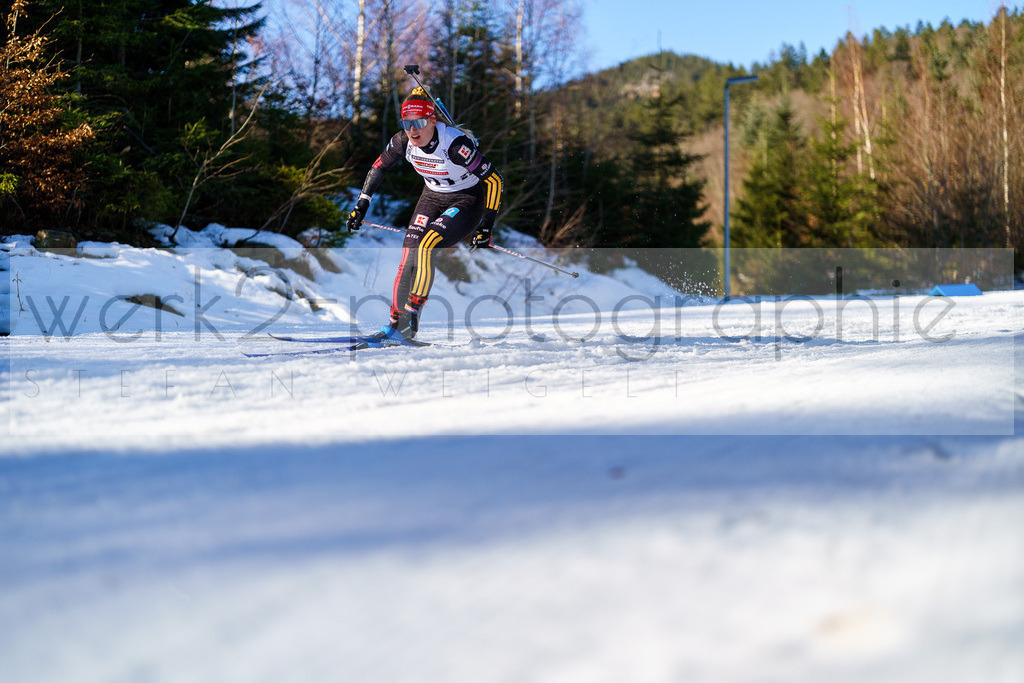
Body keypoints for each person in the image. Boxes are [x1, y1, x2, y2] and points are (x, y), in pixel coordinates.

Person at [346, 87, 504, 343]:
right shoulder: (402, 141)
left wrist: (486, 226)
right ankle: (395, 325)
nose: (412, 130)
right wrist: (362, 204)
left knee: (426, 245)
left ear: (432, 121)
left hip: (466, 200)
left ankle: (410, 319)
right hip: (431, 197)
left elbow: (495, 180)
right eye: (406, 124)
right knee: (409, 253)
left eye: (418, 123)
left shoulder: (454, 145)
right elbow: (378, 167)